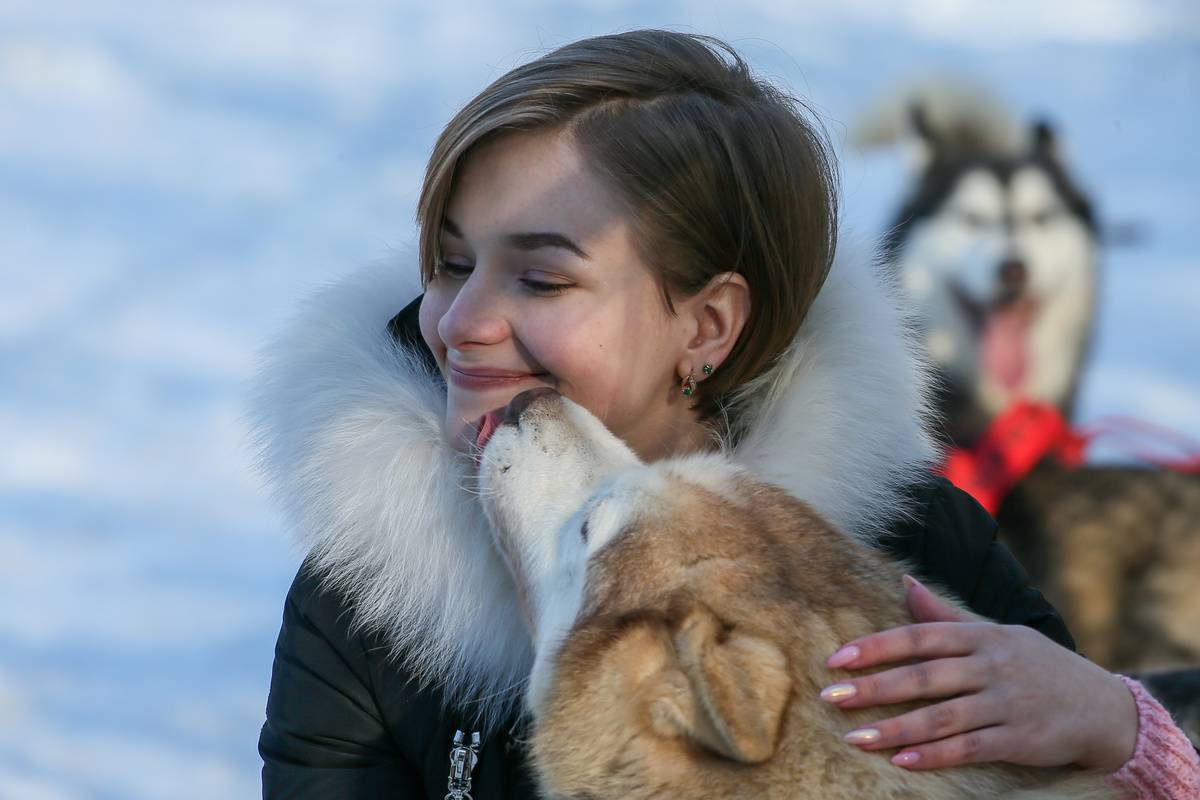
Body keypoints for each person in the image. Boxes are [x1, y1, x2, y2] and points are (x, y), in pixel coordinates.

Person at [251, 29, 1199, 799]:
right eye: (453, 263)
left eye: (540, 278)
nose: (460, 323)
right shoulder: (369, 602)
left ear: (706, 325)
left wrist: (1129, 738)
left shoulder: (904, 545)